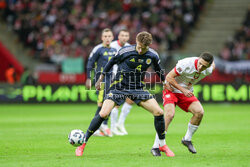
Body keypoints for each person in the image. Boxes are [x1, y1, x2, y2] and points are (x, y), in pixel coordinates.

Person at [76, 31, 169, 157]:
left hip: (137, 88)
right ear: (136, 42)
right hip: (119, 86)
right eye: (139, 46)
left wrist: (164, 82)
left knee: (159, 112)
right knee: (103, 113)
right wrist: (100, 79)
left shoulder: (153, 55)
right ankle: (83, 144)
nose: (141, 50)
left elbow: (158, 70)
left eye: (144, 48)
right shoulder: (125, 51)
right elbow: (110, 63)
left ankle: (162, 145)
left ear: (149, 45)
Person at [150, 52, 216, 157]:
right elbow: (169, 77)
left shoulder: (209, 69)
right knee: (169, 115)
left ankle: (187, 139)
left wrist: (184, 91)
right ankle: (156, 146)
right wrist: (183, 90)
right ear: (198, 59)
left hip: (185, 92)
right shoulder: (186, 63)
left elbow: (213, 65)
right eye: (200, 63)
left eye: (204, 66)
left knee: (199, 112)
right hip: (171, 89)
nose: (200, 67)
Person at [85, 28, 117, 137]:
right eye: (105, 36)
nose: (107, 38)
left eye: (109, 36)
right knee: (102, 104)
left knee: (109, 103)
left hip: (112, 80)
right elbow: (90, 63)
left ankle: (102, 125)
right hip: (101, 81)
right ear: (102, 38)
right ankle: (100, 127)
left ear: (112, 38)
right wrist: (88, 78)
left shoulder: (114, 50)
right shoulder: (98, 49)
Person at [109, 29, 134, 135]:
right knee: (116, 102)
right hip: (114, 76)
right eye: (122, 35)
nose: (124, 37)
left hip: (126, 76)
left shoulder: (129, 47)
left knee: (131, 99)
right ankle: (112, 127)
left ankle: (120, 123)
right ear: (118, 36)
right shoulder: (112, 46)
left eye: (126, 35)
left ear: (128, 37)